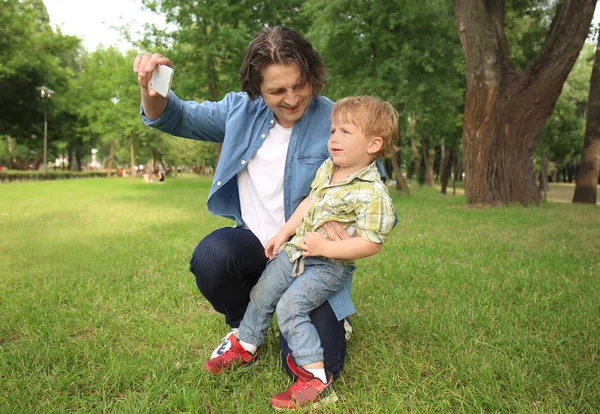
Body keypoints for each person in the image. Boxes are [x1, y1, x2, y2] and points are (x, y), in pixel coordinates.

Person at [133, 26, 387, 384]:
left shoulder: (337, 120)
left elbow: (373, 176)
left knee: (319, 361)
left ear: (312, 74)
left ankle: (327, 317)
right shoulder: (240, 111)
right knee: (213, 256)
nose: (293, 98)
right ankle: (245, 325)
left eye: (300, 85)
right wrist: (151, 88)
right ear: (257, 89)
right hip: (258, 244)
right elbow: (174, 116)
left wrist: (349, 230)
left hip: (310, 257)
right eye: (276, 91)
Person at [204, 96, 397, 409]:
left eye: (345, 132)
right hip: (297, 252)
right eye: (333, 130)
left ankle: (314, 376)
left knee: (291, 307)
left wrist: (328, 247)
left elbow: (372, 243)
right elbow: (308, 203)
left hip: (328, 266)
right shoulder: (328, 168)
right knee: (264, 290)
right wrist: (283, 233)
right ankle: (247, 343)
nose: (333, 138)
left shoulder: (372, 191)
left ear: (374, 143)